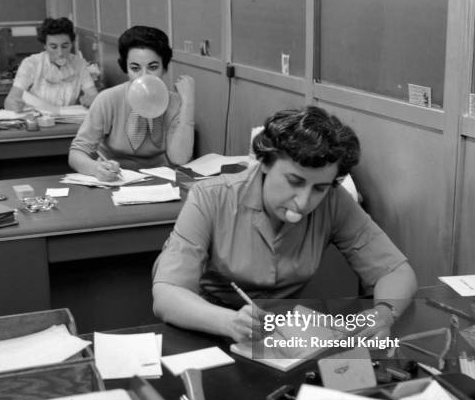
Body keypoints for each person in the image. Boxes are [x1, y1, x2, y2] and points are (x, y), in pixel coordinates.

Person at [152, 106, 417, 343]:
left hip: (282, 336)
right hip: (208, 326)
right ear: (265, 162)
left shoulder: (334, 201)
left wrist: (384, 314)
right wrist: (228, 322)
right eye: (295, 181)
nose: (303, 202)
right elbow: (167, 294)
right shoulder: (210, 197)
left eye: (319, 188)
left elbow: (395, 271)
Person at [68, 25, 194, 179]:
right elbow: (76, 153)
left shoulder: (174, 102)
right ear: (126, 69)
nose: (144, 76)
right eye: (135, 68)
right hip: (114, 180)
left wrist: (188, 103)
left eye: (153, 67)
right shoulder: (108, 99)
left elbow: (179, 158)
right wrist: (96, 168)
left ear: (164, 68)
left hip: (160, 181)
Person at [4, 17, 97, 111]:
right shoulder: (31, 63)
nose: (60, 53)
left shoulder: (79, 64)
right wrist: (14, 104)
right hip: (37, 121)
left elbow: (93, 94)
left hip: (66, 121)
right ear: (45, 46)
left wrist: (90, 99)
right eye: (54, 47)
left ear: (71, 44)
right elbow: (10, 99)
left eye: (65, 46)